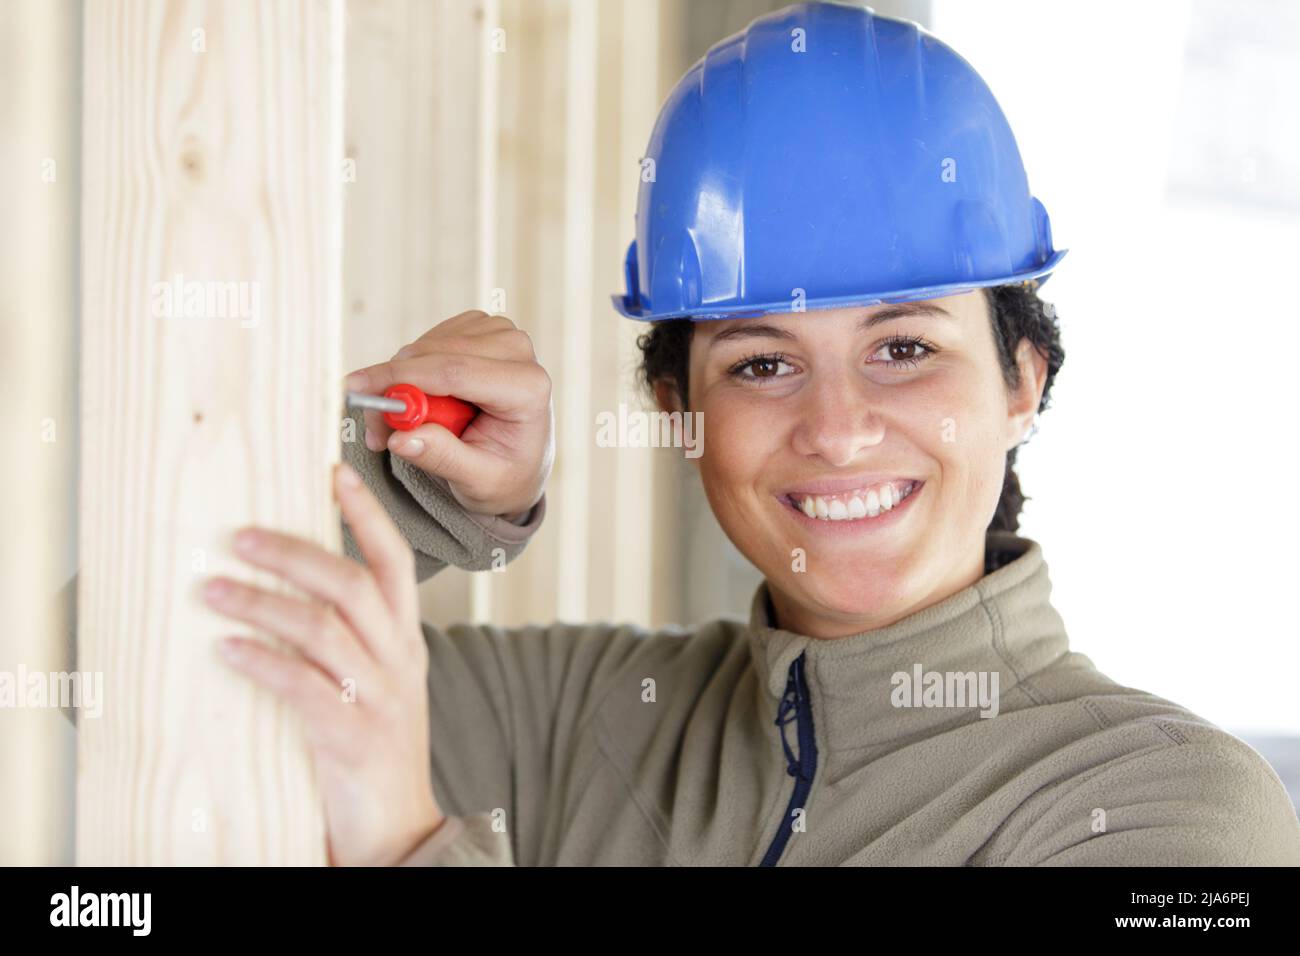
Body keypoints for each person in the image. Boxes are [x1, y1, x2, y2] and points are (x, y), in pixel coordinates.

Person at [202, 1, 1300, 865]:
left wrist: (407, 847)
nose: (835, 427)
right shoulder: (569, 722)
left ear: (1023, 380)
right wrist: (419, 497)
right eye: (762, 363)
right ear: (680, 413)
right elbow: (129, 654)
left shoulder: (1167, 809)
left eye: (904, 347)